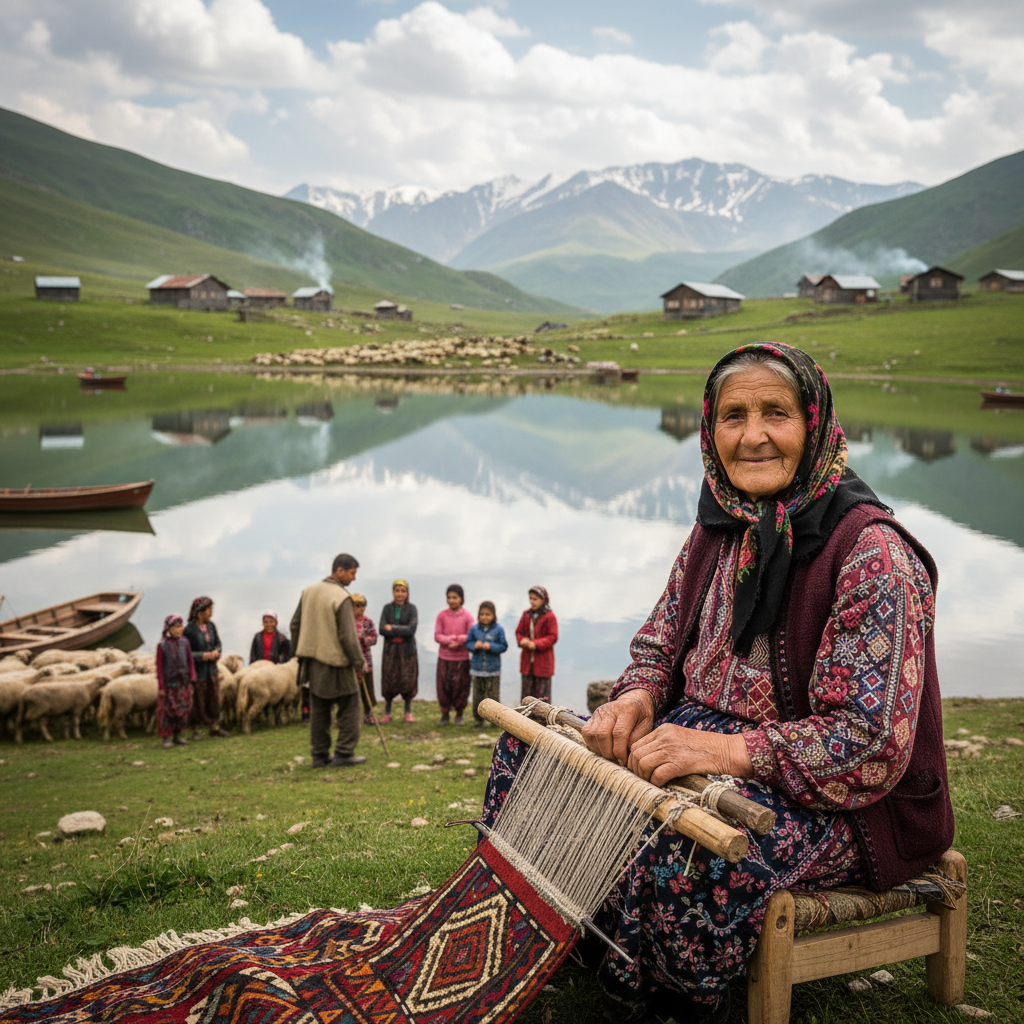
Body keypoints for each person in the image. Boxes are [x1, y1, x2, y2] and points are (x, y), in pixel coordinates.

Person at [482, 342, 953, 1024]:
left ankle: (669, 999)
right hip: (692, 745)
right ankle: (567, 942)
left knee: (687, 838)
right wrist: (637, 697)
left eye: (776, 413)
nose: (753, 435)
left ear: (814, 423)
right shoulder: (718, 529)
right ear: (710, 430)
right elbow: (658, 644)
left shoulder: (871, 554)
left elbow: (868, 745)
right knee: (532, 760)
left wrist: (725, 753)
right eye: (734, 415)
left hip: (845, 807)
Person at [290, 553, 368, 769]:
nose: (353, 579)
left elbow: (295, 624)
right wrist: (359, 662)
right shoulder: (341, 597)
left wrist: (300, 652)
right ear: (340, 571)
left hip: (312, 661)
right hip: (336, 662)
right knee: (351, 705)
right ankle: (343, 753)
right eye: (352, 573)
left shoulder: (308, 592)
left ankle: (319, 756)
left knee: (319, 709)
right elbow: (348, 636)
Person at [184, 596, 230, 740]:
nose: (211, 612)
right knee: (198, 699)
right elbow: (186, 652)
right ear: (200, 613)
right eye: (209, 610)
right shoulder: (189, 630)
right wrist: (202, 656)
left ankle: (214, 726)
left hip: (211, 670)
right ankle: (194, 728)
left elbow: (218, 643)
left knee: (212, 698)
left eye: (211, 609)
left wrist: (217, 651)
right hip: (198, 671)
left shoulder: (211, 626)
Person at [434, 583, 475, 726]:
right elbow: (437, 635)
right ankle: (444, 714)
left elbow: (471, 635)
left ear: (461, 599)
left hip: (462, 658)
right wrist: (448, 640)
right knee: (443, 687)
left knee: (461, 688)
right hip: (444, 657)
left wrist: (458, 640)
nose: (452, 600)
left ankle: (459, 714)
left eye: (455, 597)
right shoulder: (442, 615)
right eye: (449, 597)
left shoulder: (468, 616)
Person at [379, 579, 418, 723]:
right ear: (393, 592)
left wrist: (393, 629)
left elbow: (411, 630)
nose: (399, 594)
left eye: (403, 591)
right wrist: (400, 630)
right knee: (389, 678)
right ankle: (387, 712)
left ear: (407, 593)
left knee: (407, 678)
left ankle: (408, 711)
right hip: (390, 650)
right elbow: (382, 629)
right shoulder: (387, 608)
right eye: (397, 591)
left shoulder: (412, 609)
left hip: (407, 650)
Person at [156, 614, 195, 749]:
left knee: (182, 710)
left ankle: (177, 735)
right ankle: (166, 737)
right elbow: (160, 667)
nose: (179, 629)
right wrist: (162, 686)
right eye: (176, 627)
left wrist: (192, 676)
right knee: (168, 711)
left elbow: (190, 661)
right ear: (169, 628)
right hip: (170, 684)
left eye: (180, 626)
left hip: (183, 683)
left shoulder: (185, 642)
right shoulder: (162, 645)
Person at [466, 600, 507, 727]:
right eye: (482, 614)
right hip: (477, 669)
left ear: (494, 615)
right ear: (478, 615)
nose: (484, 617)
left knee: (493, 696)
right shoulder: (474, 629)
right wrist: (474, 646)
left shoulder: (499, 629)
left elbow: (503, 646)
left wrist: (491, 646)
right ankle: (479, 720)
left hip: (493, 670)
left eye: (488, 614)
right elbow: (468, 644)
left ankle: (495, 721)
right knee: (478, 696)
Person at [514, 586, 558, 703]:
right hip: (527, 663)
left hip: (543, 665)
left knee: (542, 698)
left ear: (543, 600)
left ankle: (542, 721)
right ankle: (523, 719)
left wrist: (535, 644)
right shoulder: (526, 615)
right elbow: (519, 632)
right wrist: (522, 640)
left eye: (535, 599)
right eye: (530, 598)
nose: (532, 601)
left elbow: (553, 637)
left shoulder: (550, 617)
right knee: (526, 695)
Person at [352, 593, 379, 724]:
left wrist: (363, 639)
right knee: (351, 687)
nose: (361, 609)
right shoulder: (346, 622)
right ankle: (351, 715)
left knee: (366, 687)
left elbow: (374, 638)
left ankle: (369, 713)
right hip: (350, 659)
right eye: (357, 606)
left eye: (363, 606)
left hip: (365, 658)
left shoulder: (368, 622)